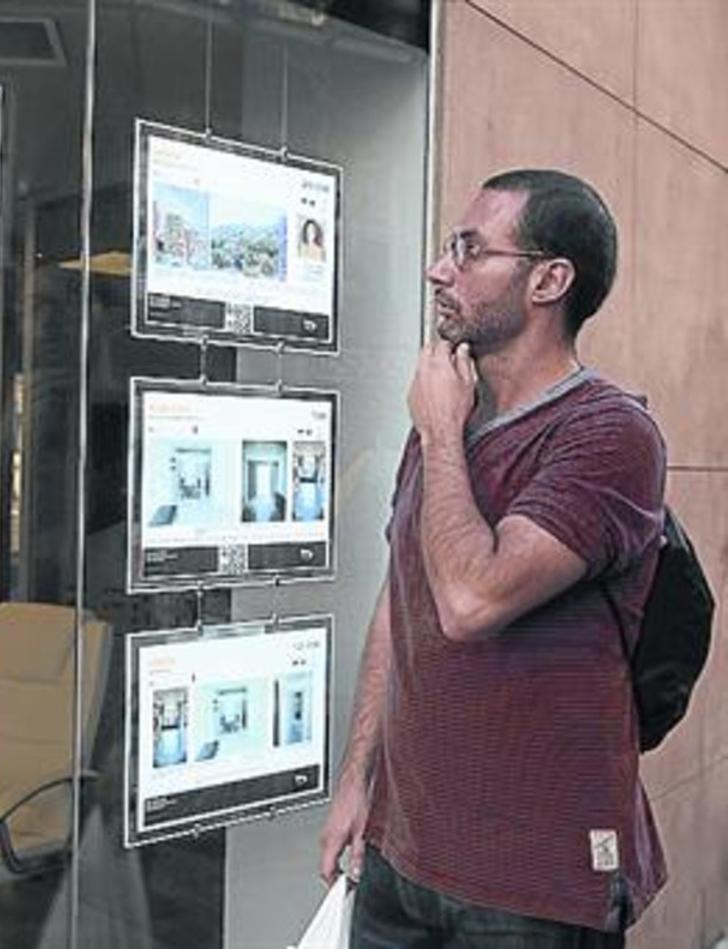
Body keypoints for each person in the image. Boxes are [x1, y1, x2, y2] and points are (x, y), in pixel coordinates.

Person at [319, 169, 666, 947]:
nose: (440, 269)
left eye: (470, 250)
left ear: (549, 280)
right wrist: (357, 784)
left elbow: (471, 602)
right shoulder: (449, 413)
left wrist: (442, 434)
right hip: (402, 858)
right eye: (449, 246)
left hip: (532, 887)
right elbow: (401, 598)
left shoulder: (609, 435)